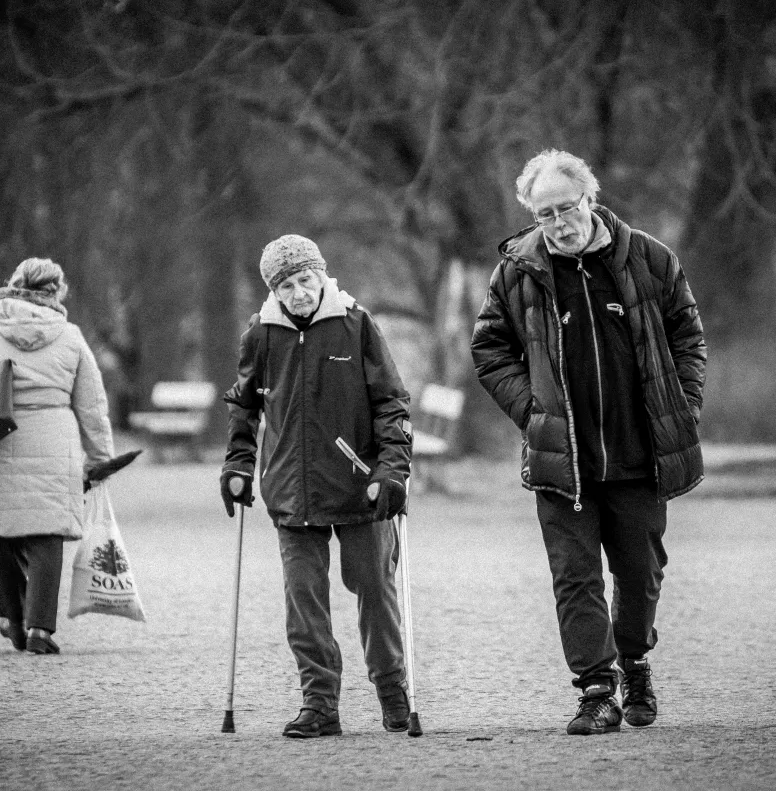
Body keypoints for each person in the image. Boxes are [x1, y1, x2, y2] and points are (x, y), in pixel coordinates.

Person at [471, 149, 706, 735]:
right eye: (545, 213)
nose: (558, 223)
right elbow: (489, 349)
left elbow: (688, 338)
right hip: (561, 460)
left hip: (639, 455)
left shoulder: (650, 260)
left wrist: (683, 407)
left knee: (640, 573)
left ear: (590, 200)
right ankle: (597, 690)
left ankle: (635, 661)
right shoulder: (517, 272)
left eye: (566, 208)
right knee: (574, 578)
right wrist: (532, 411)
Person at [221, 234, 413, 738]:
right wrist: (239, 464)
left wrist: (391, 468)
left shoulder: (356, 324)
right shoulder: (261, 335)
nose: (299, 291)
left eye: (305, 279)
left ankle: (393, 692)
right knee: (304, 601)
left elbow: (392, 402)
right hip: (291, 489)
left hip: (360, 488)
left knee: (375, 591)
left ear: (322, 275)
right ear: (274, 290)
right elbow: (244, 405)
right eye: (286, 285)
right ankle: (320, 704)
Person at [0, 257, 114, 656]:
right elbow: (91, 404)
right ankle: (40, 628)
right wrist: (100, 457)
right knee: (47, 536)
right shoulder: (69, 336)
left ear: (15, 284)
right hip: (55, 442)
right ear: (55, 292)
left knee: (1, 531)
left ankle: (10, 617)